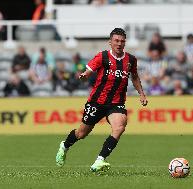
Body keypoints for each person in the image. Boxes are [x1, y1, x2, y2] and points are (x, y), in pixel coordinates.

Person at [55, 28, 148, 172]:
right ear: (110, 42)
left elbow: (134, 77)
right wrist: (85, 75)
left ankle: (100, 160)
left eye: (122, 41)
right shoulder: (102, 56)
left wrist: (141, 94)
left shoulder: (130, 60)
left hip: (116, 102)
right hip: (97, 102)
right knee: (82, 133)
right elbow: (89, 70)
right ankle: (64, 145)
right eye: (116, 41)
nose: (119, 44)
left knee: (120, 127)